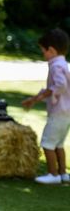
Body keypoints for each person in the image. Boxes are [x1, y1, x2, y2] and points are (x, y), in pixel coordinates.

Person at [21, 28, 70, 185]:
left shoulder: (55, 66)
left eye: (43, 51)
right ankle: (63, 174)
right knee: (58, 144)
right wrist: (37, 98)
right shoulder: (63, 64)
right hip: (66, 113)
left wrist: (48, 94)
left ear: (52, 50)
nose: (43, 55)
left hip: (58, 112)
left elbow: (60, 85)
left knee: (47, 143)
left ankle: (52, 174)